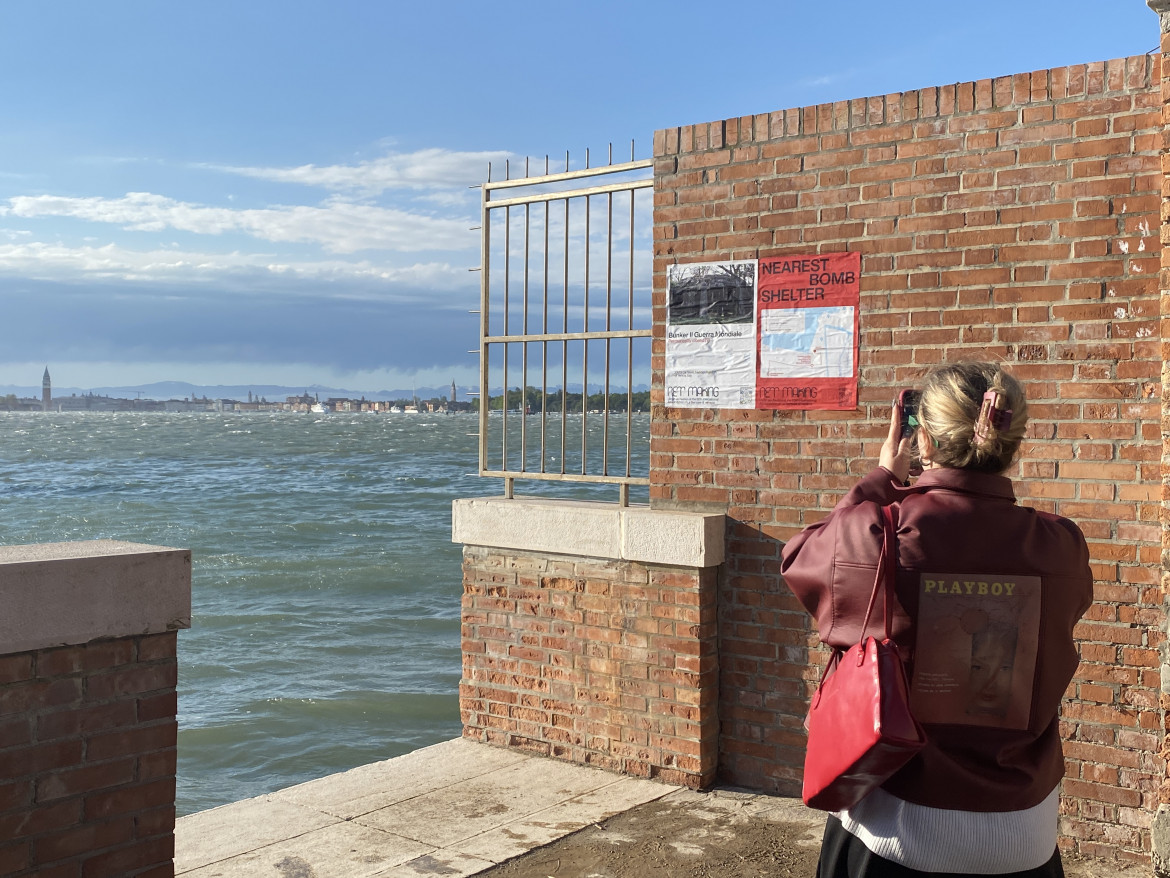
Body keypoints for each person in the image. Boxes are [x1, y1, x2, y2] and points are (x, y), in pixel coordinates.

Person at [780, 362, 1093, 877]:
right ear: (1010, 442)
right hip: (1024, 836)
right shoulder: (1061, 545)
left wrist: (880, 479)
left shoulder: (880, 532)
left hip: (894, 829)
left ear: (922, 439)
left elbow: (800, 561)